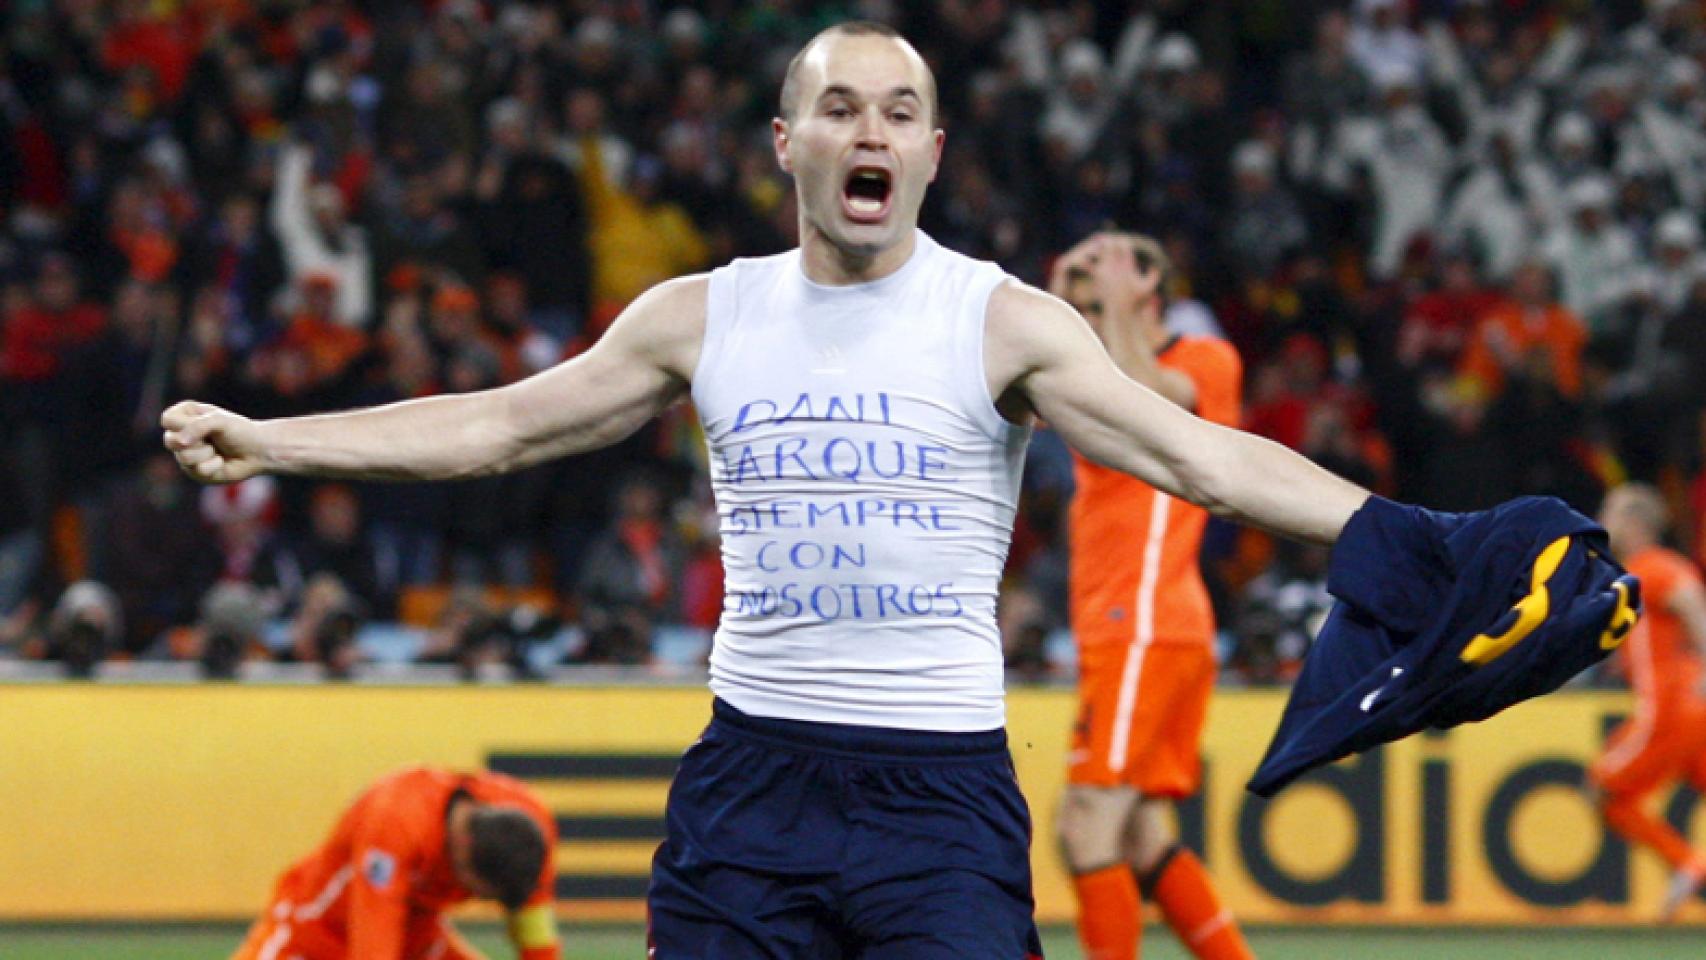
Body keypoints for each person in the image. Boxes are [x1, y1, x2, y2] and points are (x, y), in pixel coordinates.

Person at [167, 21, 1371, 958]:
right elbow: (497, 426)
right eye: (838, 107)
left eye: (899, 112)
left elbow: (1205, 461)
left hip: (942, 794)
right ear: (786, 142)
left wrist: (1406, 534)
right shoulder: (700, 315)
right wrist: (274, 441)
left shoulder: (1002, 321)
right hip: (751, 784)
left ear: (930, 152)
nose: (870, 130)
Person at [1050, 232, 1253, 960]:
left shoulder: (1206, 360)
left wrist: (1112, 307)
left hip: (1144, 620)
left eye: (1105, 265)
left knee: (1086, 824)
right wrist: (1064, 298)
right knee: (1139, 835)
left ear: (1150, 283)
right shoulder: (1088, 370)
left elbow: (1149, 403)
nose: (1088, 276)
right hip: (1128, 624)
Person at [230, 765, 558, 960]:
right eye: (480, 894)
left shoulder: (529, 833)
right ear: (462, 850)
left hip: (417, 937)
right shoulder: (397, 823)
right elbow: (373, 946)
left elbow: (536, 933)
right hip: (318, 931)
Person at [1588, 484, 1706, 920]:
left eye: (1611, 511)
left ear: (1635, 522)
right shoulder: (1636, 572)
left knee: (1601, 788)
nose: (1601, 520)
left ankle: (1687, 864)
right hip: (1689, 709)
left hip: (1671, 710)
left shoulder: (1653, 565)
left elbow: (1690, 598)